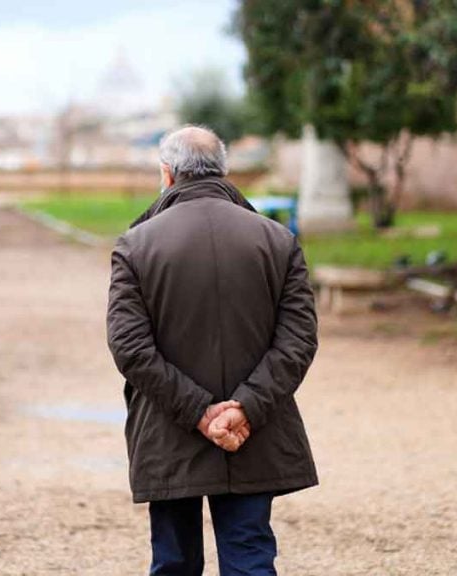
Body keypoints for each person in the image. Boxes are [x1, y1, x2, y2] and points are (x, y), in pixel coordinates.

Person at [107, 125, 319, 575]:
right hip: (253, 431)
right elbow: (298, 339)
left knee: (174, 561)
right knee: (250, 558)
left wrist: (200, 412)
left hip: (169, 428)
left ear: (167, 174)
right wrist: (243, 408)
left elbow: (130, 347)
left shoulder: (136, 245)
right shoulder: (277, 241)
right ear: (224, 172)